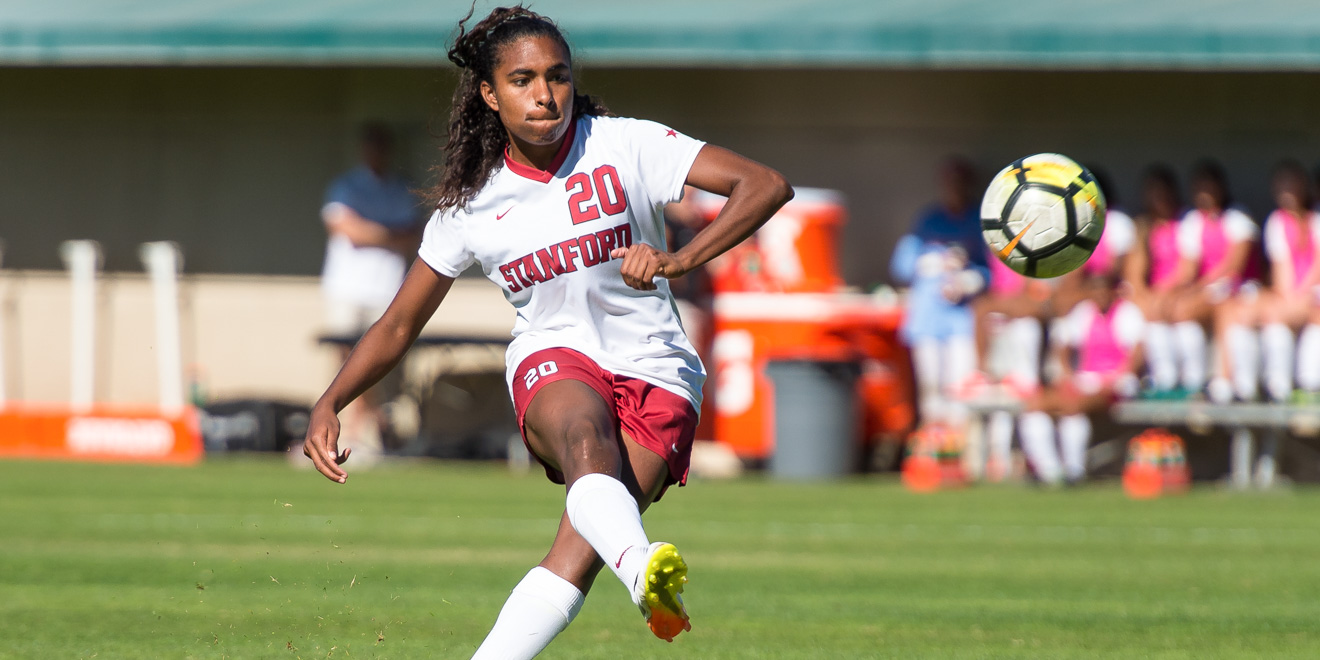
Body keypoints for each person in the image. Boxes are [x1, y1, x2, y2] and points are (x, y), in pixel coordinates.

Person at [299, 6, 793, 659]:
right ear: (489, 93)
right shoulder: (471, 203)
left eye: (557, 76)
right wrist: (330, 400)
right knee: (584, 436)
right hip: (554, 357)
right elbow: (397, 324)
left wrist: (679, 259)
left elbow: (764, 185)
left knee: (574, 558)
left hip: (660, 370)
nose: (543, 95)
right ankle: (644, 570)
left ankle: (620, 575)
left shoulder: (624, 143)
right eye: (523, 79)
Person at [320, 123, 426, 451]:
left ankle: (366, 429)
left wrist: (375, 234)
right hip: (347, 289)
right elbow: (344, 228)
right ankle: (356, 425)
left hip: (385, 291)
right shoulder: (346, 186)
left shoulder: (400, 189)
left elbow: (412, 237)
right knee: (344, 358)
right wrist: (386, 235)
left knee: (377, 362)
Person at [890, 157, 989, 428]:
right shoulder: (928, 220)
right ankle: (934, 443)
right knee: (931, 385)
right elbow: (901, 265)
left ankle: (958, 445)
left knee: (960, 384)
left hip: (961, 320)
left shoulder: (977, 221)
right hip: (928, 318)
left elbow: (990, 270)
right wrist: (931, 263)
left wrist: (969, 280)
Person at [1019, 273, 1145, 485]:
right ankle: (1048, 470)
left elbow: (1137, 351)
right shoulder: (1084, 312)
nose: (1099, 296)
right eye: (1094, 291)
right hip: (1086, 378)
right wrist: (1068, 373)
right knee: (1035, 404)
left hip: (1117, 381)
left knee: (1073, 405)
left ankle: (1074, 469)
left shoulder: (1127, 313)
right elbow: (1063, 344)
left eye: (1103, 291)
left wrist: (1117, 377)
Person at [1213, 160, 1320, 403]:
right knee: (1242, 313)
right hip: (1293, 296)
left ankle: (1309, 384)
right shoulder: (1276, 221)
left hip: (1312, 294)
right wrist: (1289, 302)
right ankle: (1248, 387)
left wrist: (1297, 300)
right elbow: (1283, 274)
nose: (1288, 191)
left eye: (1293, 184)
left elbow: (1316, 268)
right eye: (1283, 185)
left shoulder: (1316, 219)